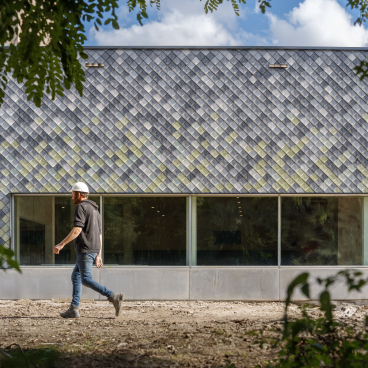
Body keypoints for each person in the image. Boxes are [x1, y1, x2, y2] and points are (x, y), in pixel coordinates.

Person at [53, 182, 124, 318]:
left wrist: (61, 244)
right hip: (92, 249)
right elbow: (99, 234)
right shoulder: (95, 210)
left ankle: (113, 296)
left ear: (79, 194)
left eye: (73, 194)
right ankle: (74, 309)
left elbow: (77, 230)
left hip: (85, 250)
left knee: (85, 279)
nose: (72, 197)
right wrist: (99, 254)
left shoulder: (81, 208)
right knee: (76, 276)